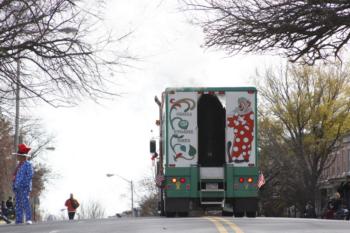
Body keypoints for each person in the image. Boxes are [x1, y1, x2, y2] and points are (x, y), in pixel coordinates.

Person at [12, 143, 34, 225]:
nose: (17, 157)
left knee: (25, 202)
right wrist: (14, 185)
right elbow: (16, 176)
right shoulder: (18, 165)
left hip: (25, 187)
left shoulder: (28, 164)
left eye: (18, 155)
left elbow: (30, 175)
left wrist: (24, 184)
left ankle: (28, 219)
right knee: (18, 204)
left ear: (22, 156)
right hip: (17, 187)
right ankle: (19, 219)